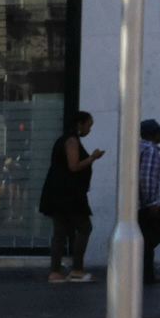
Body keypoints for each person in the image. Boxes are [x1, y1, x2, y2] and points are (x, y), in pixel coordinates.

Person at [38, 111, 105, 283]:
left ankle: (55, 271)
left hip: (58, 192)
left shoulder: (65, 140)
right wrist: (92, 158)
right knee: (84, 227)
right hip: (69, 194)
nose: (89, 129)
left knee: (60, 232)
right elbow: (73, 166)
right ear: (79, 124)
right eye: (88, 125)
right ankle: (77, 269)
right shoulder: (71, 141)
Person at [137, 119, 160, 285]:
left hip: (137, 203)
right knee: (152, 237)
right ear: (154, 134)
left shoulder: (138, 148)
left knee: (146, 239)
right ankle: (146, 274)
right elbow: (147, 177)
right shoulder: (151, 150)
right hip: (146, 204)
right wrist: (151, 202)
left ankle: (143, 272)